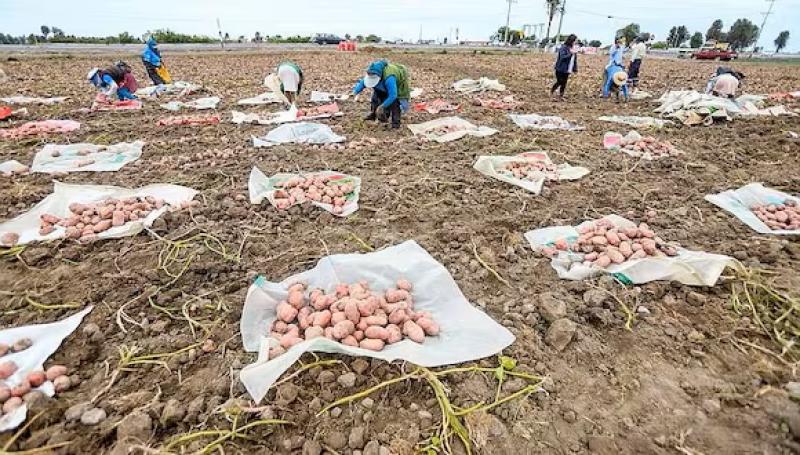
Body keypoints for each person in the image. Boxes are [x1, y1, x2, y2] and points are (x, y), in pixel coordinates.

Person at [352, 60, 411, 129]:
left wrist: (382, 106)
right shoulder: (371, 73)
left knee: (395, 104)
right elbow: (362, 83)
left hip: (396, 87)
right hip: (382, 85)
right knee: (375, 98)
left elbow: (393, 95)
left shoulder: (389, 78)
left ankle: (395, 124)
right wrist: (355, 91)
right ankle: (374, 115)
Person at [550, 34, 578, 101]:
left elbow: (574, 60)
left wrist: (575, 68)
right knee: (560, 81)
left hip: (568, 69)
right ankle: (552, 91)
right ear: (571, 41)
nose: (576, 42)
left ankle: (561, 95)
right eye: (575, 41)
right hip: (560, 68)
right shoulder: (564, 47)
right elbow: (562, 57)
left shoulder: (573, 49)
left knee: (564, 83)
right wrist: (571, 53)